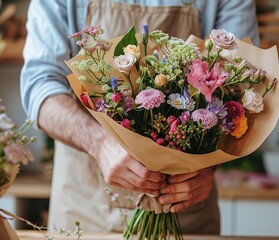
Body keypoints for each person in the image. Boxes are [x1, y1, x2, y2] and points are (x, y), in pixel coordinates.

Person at [20, 0, 259, 234]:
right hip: (87, 208)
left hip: (184, 211)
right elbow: (40, 86)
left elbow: (244, 85)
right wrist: (99, 143)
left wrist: (209, 167)